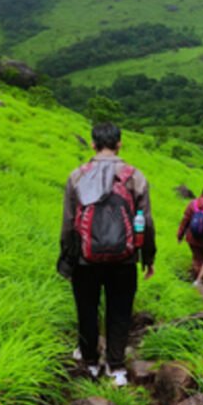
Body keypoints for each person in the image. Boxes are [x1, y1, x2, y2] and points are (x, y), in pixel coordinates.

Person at [57, 122, 156, 384]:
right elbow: (144, 221)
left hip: (84, 259)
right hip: (124, 259)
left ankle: (90, 363)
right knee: (120, 311)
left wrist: (67, 258)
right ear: (119, 143)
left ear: (93, 144)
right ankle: (116, 367)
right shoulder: (135, 176)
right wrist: (148, 257)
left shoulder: (77, 176)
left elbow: (68, 223)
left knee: (87, 309)